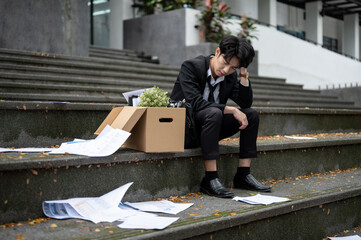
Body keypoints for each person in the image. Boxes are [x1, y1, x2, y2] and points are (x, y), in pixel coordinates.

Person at [170, 35, 271, 198]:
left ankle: (243, 175)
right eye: (225, 63)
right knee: (215, 112)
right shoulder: (191, 67)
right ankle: (210, 179)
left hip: (211, 128)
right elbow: (195, 103)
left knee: (250, 115)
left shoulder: (230, 76)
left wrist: (243, 74)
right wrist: (231, 109)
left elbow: (245, 103)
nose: (226, 70)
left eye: (233, 68)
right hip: (186, 130)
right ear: (217, 52)